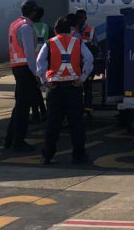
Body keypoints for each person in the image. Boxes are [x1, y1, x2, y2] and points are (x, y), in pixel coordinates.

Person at [37, 14, 93, 165]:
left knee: (52, 124)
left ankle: (47, 155)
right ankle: (79, 155)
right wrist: (81, 79)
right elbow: (89, 60)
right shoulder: (78, 42)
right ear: (69, 29)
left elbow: (40, 62)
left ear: (55, 30)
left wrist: (44, 81)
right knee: (76, 123)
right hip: (73, 88)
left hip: (55, 88)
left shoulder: (49, 43)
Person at [5, 0, 41, 152]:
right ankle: (18, 141)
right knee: (23, 108)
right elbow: (30, 54)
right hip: (25, 69)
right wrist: (36, 73)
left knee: (19, 106)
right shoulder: (26, 28)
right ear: (33, 12)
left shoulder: (14, 24)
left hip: (17, 67)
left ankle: (10, 139)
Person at [73, 9, 97, 112]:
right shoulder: (73, 31)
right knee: (77, 88)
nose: (80, 20)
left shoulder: (91, 29)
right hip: (76, 64)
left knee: (88, 87)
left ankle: (88, 109)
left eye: (82, 18)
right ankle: (78, 108)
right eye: (78, 18)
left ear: (85, 18)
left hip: (87, 62)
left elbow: (96, 44)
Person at [30, 7, 51, 123]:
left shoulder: (28, 27)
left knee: (34, 89)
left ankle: (38, 112)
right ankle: (42, 112)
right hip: (44, 60)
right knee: (39, 88)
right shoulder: (46, 27)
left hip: (33, 59)